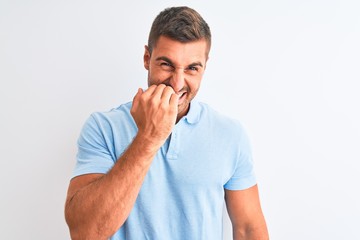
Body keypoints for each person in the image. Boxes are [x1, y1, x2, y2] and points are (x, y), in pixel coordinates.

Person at [65, 6, 269, 240]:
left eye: (192, 68)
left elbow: (248, 229)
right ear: (146, 58)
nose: (177, 83)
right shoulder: (103, 127)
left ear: (205, 66)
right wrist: (148, 138)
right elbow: (85, 233)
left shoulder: (230, 134)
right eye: (166, 65)